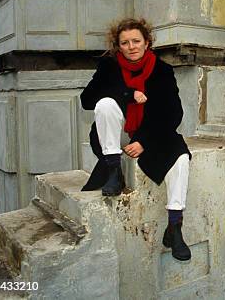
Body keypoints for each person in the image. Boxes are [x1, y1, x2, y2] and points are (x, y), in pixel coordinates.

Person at [79, 18, 192, 261]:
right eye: (125, 42)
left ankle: (175, 227)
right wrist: (127, 94)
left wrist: (145, 141)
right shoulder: (108, 67)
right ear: (118, 46)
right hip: (115, 132)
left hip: (150, 132)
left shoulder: (162, 71)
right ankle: (113, 171)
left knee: (181, 158)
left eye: (136, 41)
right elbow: (87, 100)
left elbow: (174, 113)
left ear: (147, 42)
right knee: (105, 104)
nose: (131, 46)